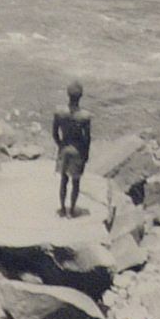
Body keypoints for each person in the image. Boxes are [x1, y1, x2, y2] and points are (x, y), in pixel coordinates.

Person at [52, 79, 92, 219]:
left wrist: (60, 145)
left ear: (67, 95)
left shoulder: (59, 112)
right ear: (80, 96)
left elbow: (55, 134)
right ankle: (72, 210)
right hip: (77, 150)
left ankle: (63, 209)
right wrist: (86, 155)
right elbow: (87, 138)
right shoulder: (85, 116)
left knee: (63, 180)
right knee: (75, 182)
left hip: (64, 149)